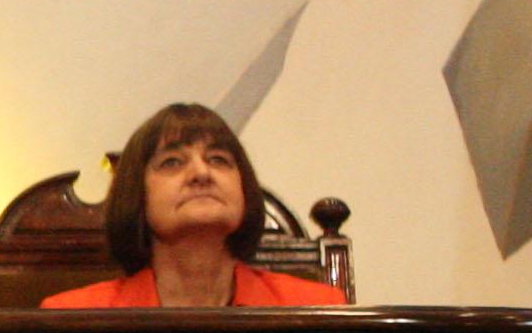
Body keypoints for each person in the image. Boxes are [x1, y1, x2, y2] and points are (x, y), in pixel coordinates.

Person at [41, 102, 348, 308]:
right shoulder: (74, 318)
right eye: (172, 162)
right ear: (136, 193)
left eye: (219, 160)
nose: (201, 173)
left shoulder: (318, 308)